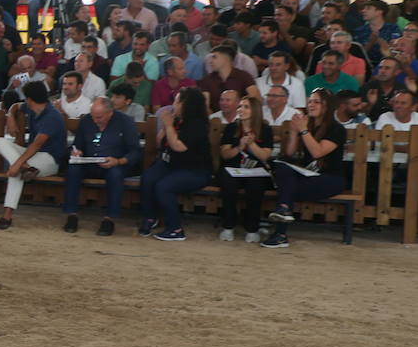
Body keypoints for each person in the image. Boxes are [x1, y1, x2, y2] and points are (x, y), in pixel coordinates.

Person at [260, 89, 348, 248]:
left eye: (316, 102)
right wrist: (294, 133)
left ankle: (280, 232)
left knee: (286, 187)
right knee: (281, 168)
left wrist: (303, 130)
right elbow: (289, 153)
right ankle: (283, 214)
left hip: (330, 179)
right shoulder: (309, 126)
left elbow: (317, 152)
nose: (311, 105)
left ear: (327, 106)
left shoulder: (337, 129)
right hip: (308, 175)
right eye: (309, 102)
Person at [138, 87, 212, 241]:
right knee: (148, 178)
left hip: (194, 170)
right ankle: (150, 217)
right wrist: (167, 125)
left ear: (187, 104)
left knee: (164, 186)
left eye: (177, 101)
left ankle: (175, 229)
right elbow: (160, 143)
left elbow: (179, 146)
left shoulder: (197, 125)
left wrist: (169, 126)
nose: (173, 105)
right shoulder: (178, 120)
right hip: (170, 164)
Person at [0, 80, 68, 230]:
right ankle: (26, 167)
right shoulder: (32, 107)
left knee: (17, 173)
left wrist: (17, 164)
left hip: (50, 159)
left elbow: (36, 144)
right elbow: (15, 106)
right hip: (32, 157)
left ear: (30, 99)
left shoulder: (52, 116)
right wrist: (10, 117)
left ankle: (7, 215)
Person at [62, 96, 142, 236]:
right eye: (93, 116)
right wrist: (77, 152)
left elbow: (135, 151)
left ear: (110, 113)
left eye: (99, 117)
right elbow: (77, 144)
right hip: (89, 162)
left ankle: (109, 219)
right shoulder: (87, 120)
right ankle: (71, 215)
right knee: (73, 170)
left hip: (115, 163)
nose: (95, 120)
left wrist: (118, 161)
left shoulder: (125, 122)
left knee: (115, 174)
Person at [217, 94, 275, 243]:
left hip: (256, 170)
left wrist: (252, 144)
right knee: (228, 184)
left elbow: (265, 156)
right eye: (240, 106)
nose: (241, 109)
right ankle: (228, 226)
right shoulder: (232, 128)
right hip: (233, 169)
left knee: (256, 186)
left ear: (255, 110)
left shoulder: (265, 129)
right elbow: (225, 154)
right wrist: (239, 147)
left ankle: (252, 228)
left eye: (245, 107)